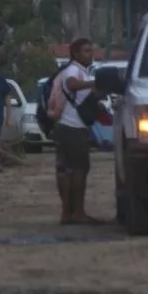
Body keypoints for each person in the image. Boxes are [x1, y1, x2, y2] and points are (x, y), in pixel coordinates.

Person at [47, 37, 102, 225]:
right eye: (86, 51)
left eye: (91, 50)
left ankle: (67, 213)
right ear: (76, 54)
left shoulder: (79, 71)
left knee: (66, 171)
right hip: (73, 129)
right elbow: (71, 84)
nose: (90, 54)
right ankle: (77, 212)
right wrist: (93, 84)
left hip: (64, 127)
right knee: (79, 170)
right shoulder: (73, 70)